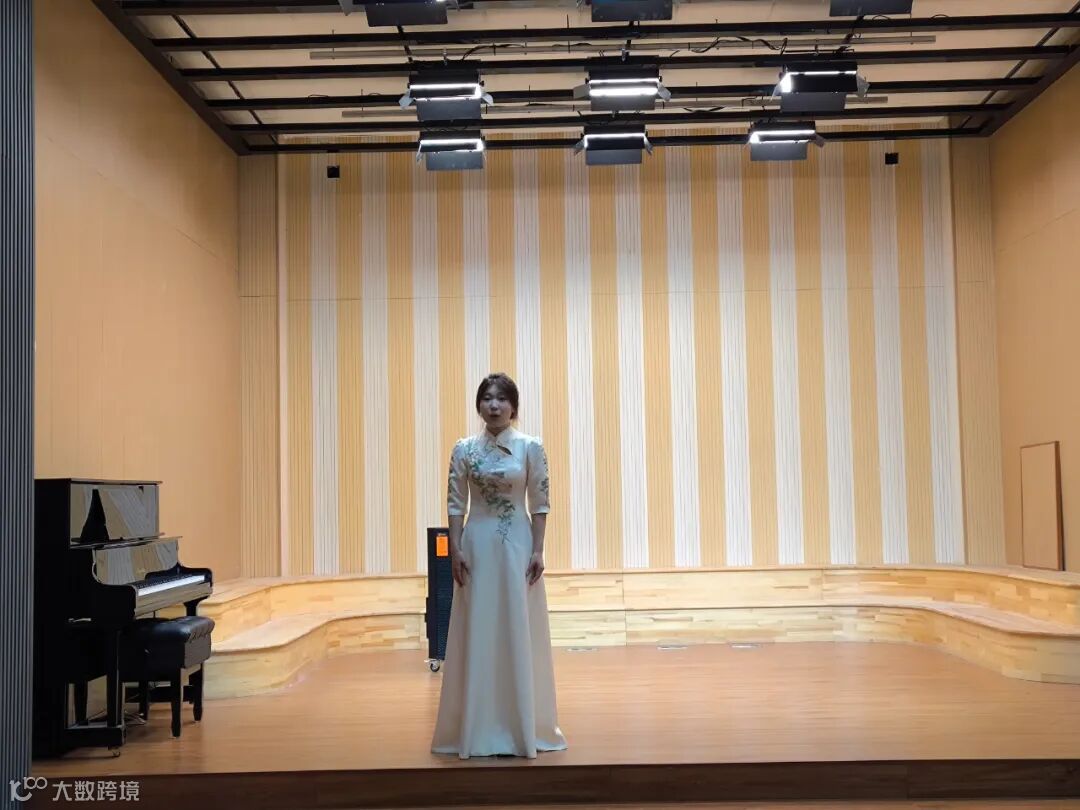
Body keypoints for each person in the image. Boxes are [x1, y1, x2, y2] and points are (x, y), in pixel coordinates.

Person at [430, 372, 568, 759]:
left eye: (502, 399)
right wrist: (455, 548)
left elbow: (540, 503)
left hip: (517, 547)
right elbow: (456, 504)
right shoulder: (463, 449)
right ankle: (476, 729)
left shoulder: (530, 447)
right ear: (479, 405)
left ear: (514, 406)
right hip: (476, 545)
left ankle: (520, 726)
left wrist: (538, 550)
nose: (494, 405)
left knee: (516, 625)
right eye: (487, 398)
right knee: (479, 626)